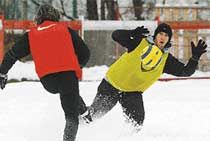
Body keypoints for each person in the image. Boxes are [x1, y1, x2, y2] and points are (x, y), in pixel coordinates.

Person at [81, 23, 207, 131]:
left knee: (136, 125)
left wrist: (194, 58)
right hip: (112, 84)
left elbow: (186, 71)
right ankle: (76, 118)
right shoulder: (140, 42)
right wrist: (131, 33)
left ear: (169, 39)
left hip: (132, 92)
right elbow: (116, 35)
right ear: (155, 35)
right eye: (160, 34)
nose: (163, 37)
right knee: (92, 116)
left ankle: (121, 138)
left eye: (166, 35)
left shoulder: (166, 60)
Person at [0, 4, 90, 141]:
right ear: (56, 16)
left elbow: (11, 55)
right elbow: (85, 53)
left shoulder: (31, 34)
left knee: (68, 92)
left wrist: (2, 73)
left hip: (48, 81)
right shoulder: (65, 29)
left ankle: (84, 112)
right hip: (67, 76)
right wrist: (78, 65)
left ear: (38, 19)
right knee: (71, 115)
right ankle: (73, 132)